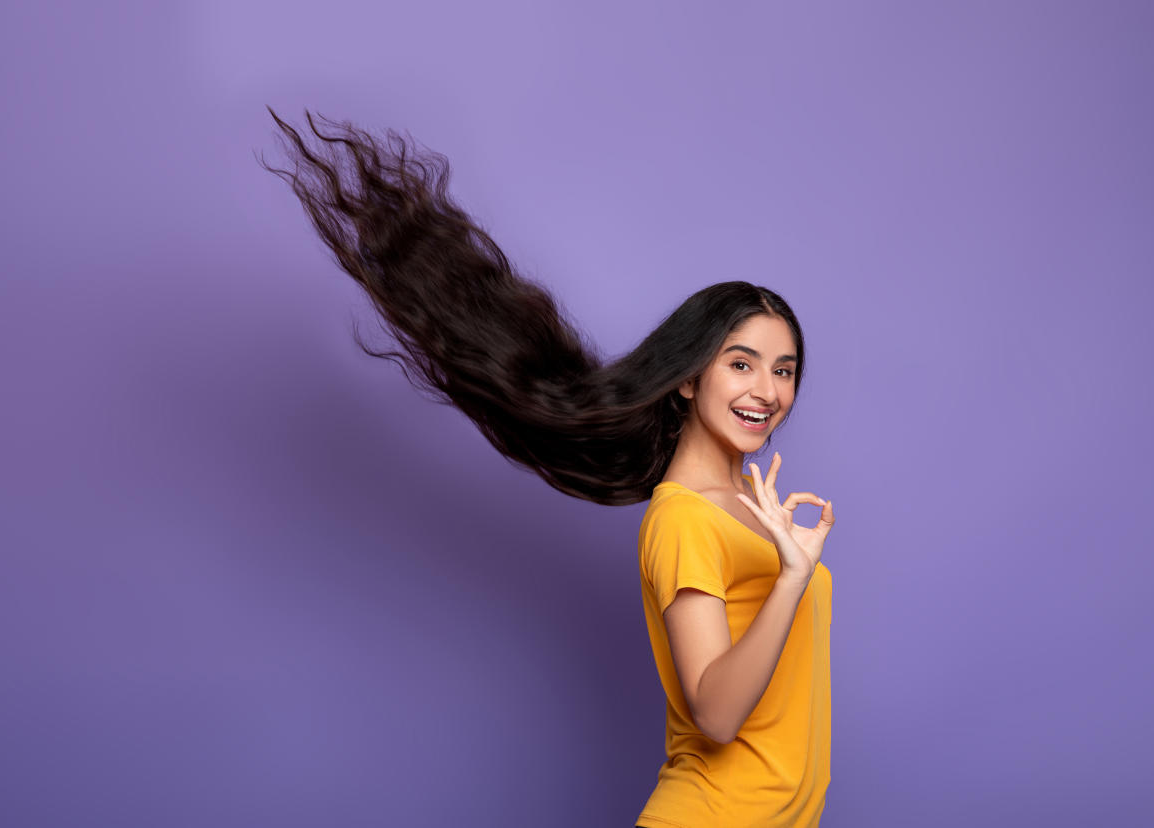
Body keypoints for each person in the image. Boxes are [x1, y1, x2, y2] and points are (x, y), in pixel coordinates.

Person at [259, 109, 837, 827]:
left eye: (784, 370)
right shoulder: (684, 517)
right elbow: (716, 716)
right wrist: (791, 578)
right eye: (741, 364)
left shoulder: (750, 506)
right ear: (689, 379)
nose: (769, 390)